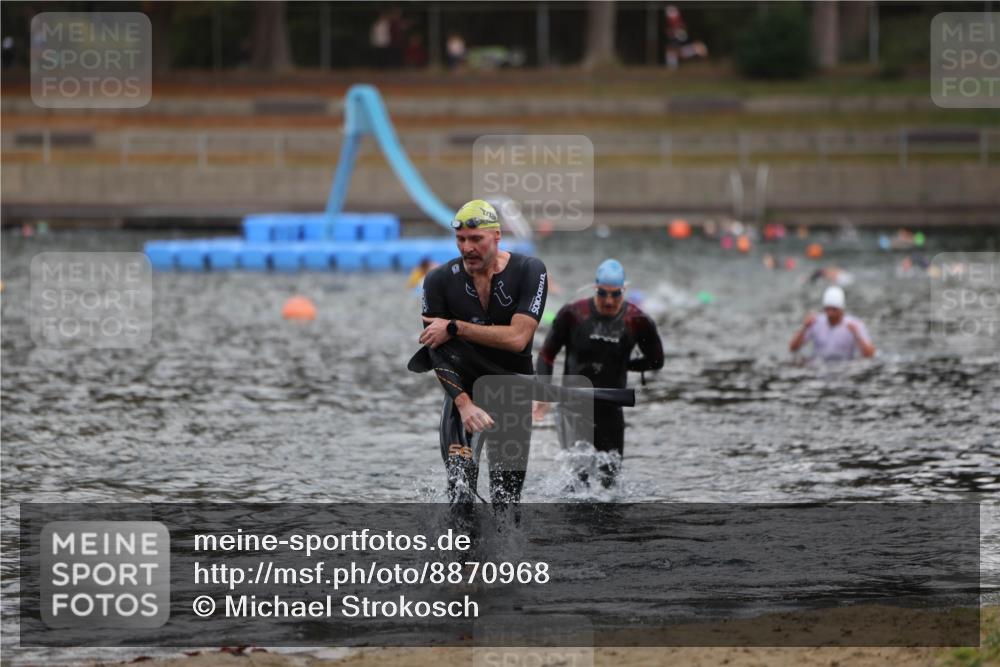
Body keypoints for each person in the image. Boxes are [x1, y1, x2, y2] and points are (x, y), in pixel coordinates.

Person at [418, 199, 548, 510]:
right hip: (464, 393)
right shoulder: (438, 281)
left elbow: (517, 338)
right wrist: (463, 404)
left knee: (507, 503)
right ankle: (462, 545)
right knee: (460, 494)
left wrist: (455, 328)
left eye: (476, 239)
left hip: (512, 389)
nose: (467, 248)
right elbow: (436, 353)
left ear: (497, 235)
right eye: (461, 239)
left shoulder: (529, 271)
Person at [534, 259, 664, 488]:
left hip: (610, 407)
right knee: (577, 481)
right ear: (595, 288)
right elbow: (546, 355)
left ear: (624, 290)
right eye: (603, 293)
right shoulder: (573, 314)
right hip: (573, 407)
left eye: (616, 294)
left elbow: (656, 361)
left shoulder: (637, 320)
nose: (609, 300)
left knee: (610, 483)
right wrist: (543, 393)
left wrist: (625, 365)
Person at [789, 286, 875, 362]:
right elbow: (793, 348)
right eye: (827, 309)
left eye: (834, 309)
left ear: (841, 309)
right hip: (819, 365)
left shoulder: (854, 324)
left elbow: (870, 354)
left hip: (844, 366)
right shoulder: (815, 322)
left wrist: (857, 335)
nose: (830, 313)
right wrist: (804, 328)